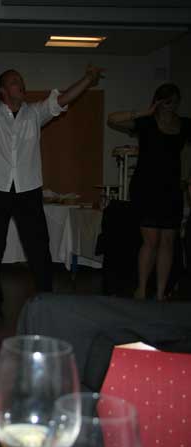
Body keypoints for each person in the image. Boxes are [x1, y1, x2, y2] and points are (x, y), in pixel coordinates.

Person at [0, 50, 103, 320]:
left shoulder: (35, 113)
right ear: (3, 91)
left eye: (21, 81)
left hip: (28, 191)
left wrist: (88, 79)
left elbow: (62, 99)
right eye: (15, 81)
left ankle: (47, 301)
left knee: (39, 250)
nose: (21, 84)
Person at [107, 83, 191, 301]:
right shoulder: (146, 122)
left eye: (174, 101)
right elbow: (112, 119)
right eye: (166, 101)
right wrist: (145, 112)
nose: (170, 105)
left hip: (171, 189)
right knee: (151, 241)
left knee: (168, 241)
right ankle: (142, 289)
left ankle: (161, 293)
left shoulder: (184, 125)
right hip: (147, 188)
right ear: (158, 101)